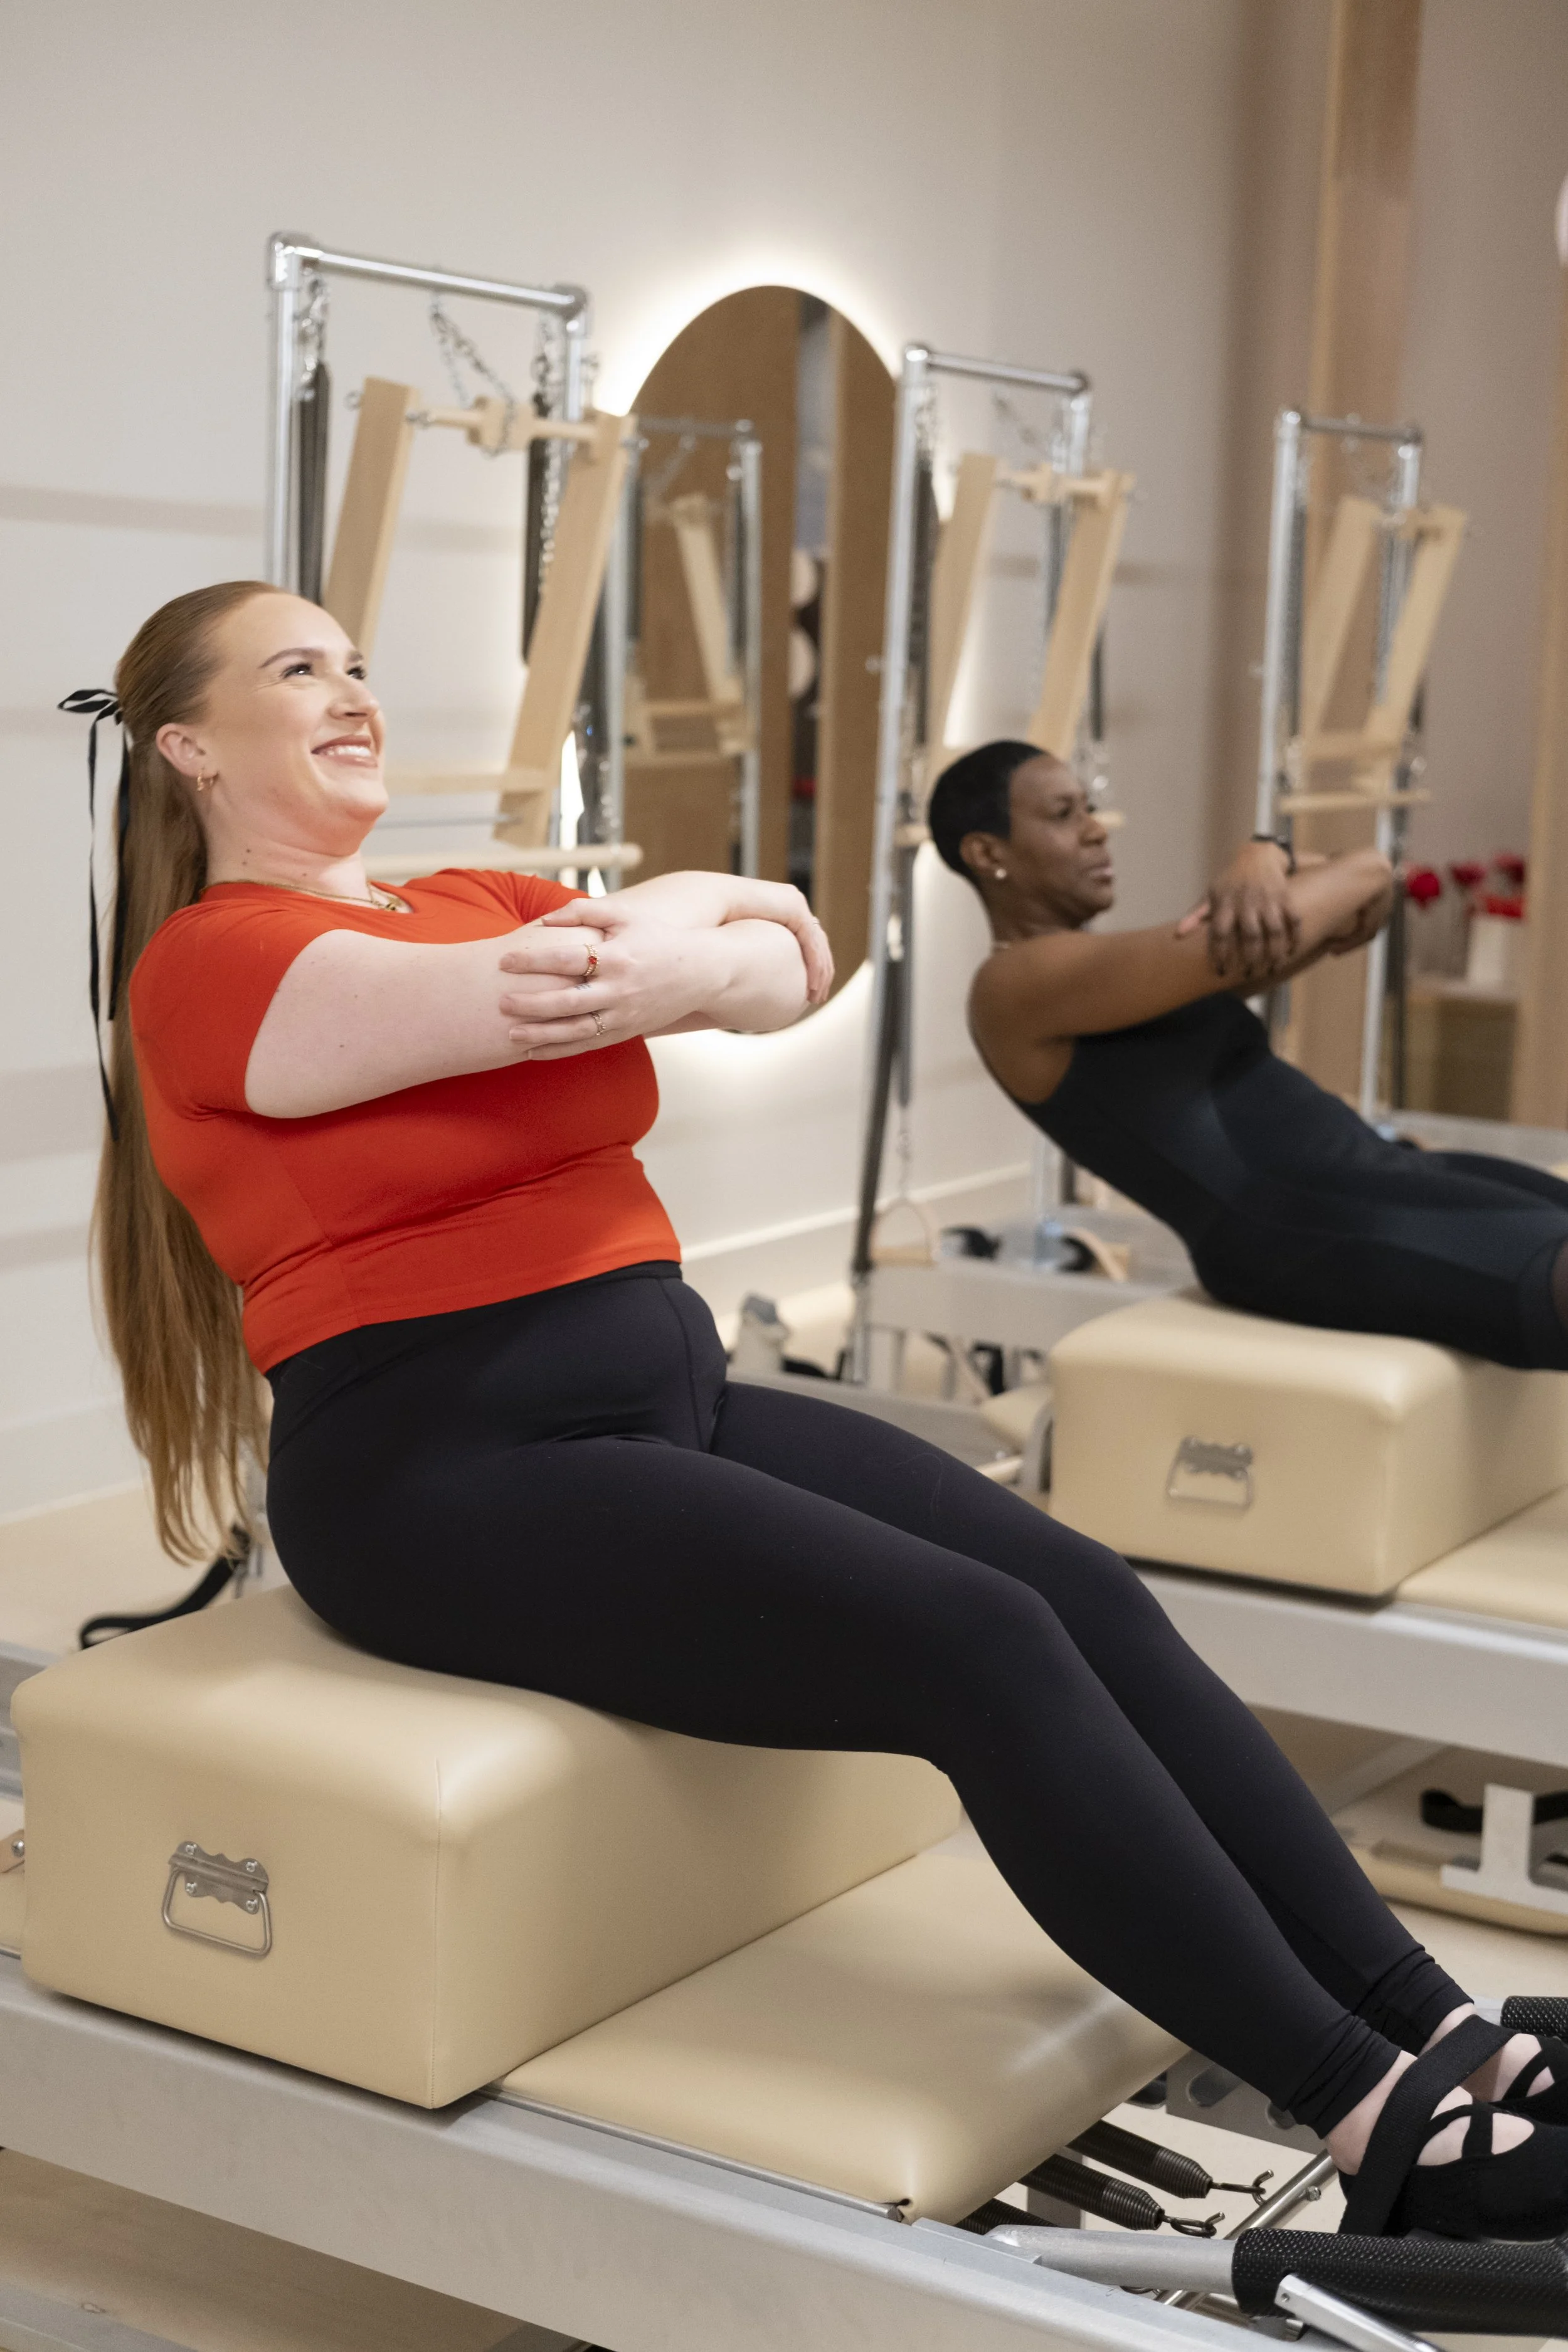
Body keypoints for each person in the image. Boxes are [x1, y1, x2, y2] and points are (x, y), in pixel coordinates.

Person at [68, 583, 1568, 2240]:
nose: (351, 691)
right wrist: (668, 943)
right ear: (190, 746)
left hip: (665, 1390)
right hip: (444, 1464)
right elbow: (539, 994)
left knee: (1083, 1589)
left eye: (356, 661)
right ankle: (1373, 2116)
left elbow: (793, 950)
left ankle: (1443, 2025)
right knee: (976, 1643)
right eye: (299, 671)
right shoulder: (210, 965)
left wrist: (701, 934)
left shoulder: (463, 893)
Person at [931, 738, 1568, 1372]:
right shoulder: (1013, 986)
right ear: (987, 853)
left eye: (1089, 808)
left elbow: (1336, 901)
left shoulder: (1120, 970)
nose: (1097, 830)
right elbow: (1363, 874)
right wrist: (1266, 853)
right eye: (1064, 815)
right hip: (1303, 1227)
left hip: (1369, 1175)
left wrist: (1275, 865)